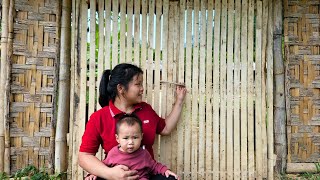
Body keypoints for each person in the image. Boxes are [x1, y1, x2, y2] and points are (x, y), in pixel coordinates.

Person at [78, 63, 187, 180]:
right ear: (121, 88)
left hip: (144, 175)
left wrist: (179, 101)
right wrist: (108, 173)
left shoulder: (146, 109)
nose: (142, 89)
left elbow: (165, 128)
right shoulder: (99, 117)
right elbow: (84, 156)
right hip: (113, 174)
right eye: (138, 84)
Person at [103, 114, 179, 180]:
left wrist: (165, 170)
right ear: (117, 139)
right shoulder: (113, 153)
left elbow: (154, 166)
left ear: (141, 137)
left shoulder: (144, 154)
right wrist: (95, 174)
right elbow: (104, 166)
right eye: (126, 138)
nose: (130, 142)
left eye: (135, 137)